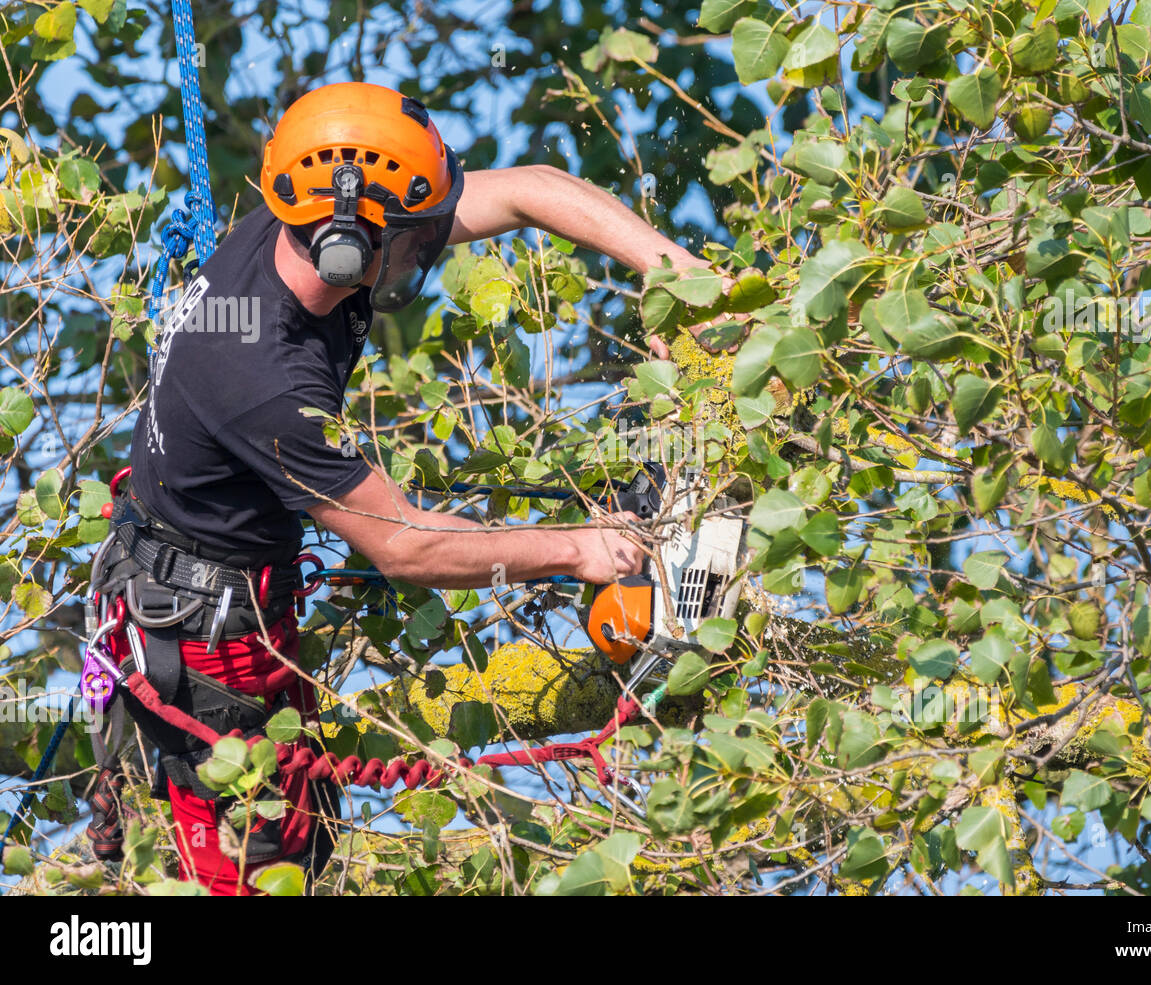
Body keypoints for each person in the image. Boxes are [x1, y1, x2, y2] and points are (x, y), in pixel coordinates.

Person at [87, 81, 718, 895]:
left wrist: (679, 272)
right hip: (204, 639)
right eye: (414, 241)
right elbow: (407, 545)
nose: (429, 250)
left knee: (309, 815)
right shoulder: (264, 375)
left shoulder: (311, 221)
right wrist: (582, 551)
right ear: (352, 245)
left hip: (229, 584)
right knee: (264, 869)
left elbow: (527, 190)